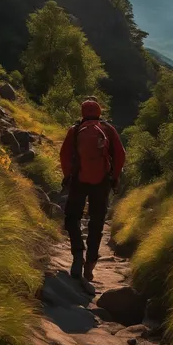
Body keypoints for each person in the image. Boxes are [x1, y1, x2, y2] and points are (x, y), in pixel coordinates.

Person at [60, 98, 125, 281]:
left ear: (82, 113)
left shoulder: (74, 131)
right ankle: (90, 264)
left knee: (72, 217)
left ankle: (78, 253)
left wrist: (68, 176)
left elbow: (64, 156)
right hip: (102, 181)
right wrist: (115, 177)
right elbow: (120, 155)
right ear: (99, 112)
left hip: (79, 179)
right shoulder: (108, 130)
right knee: (97, 222)